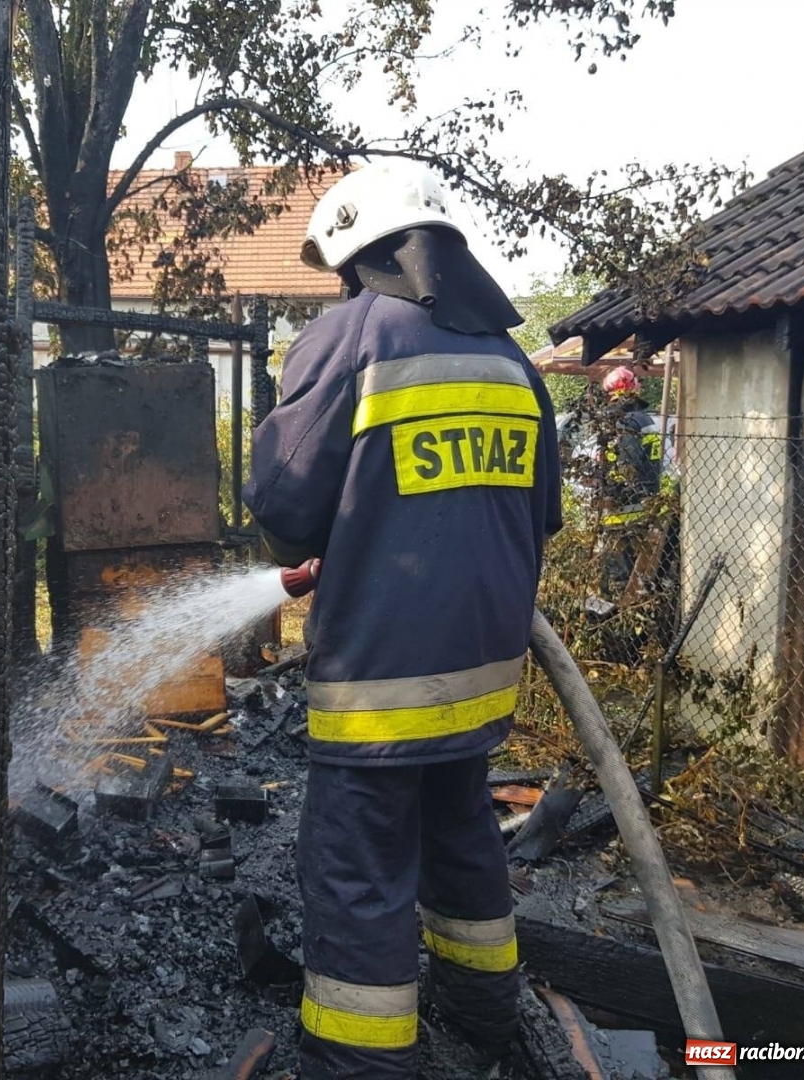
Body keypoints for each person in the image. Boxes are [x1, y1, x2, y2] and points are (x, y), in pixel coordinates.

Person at [244, 160, 562, 1079]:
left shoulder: (350, 336)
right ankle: (484, 1020)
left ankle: (360, 1063)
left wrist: (325, 540)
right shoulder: (512, 362)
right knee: (462, 839)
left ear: (355, 255)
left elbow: (282, 502)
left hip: (380, 687)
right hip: (483, 680)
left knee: (359, 875)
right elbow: (535, 516)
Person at [591, 366, 663, 608]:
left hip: (622, 509)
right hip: (644, 505)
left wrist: (609, 495)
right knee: (638, 571)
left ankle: (616, 621)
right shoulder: (647, 420)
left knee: (616, 575)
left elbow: (626, 466)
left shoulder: (625, 422)